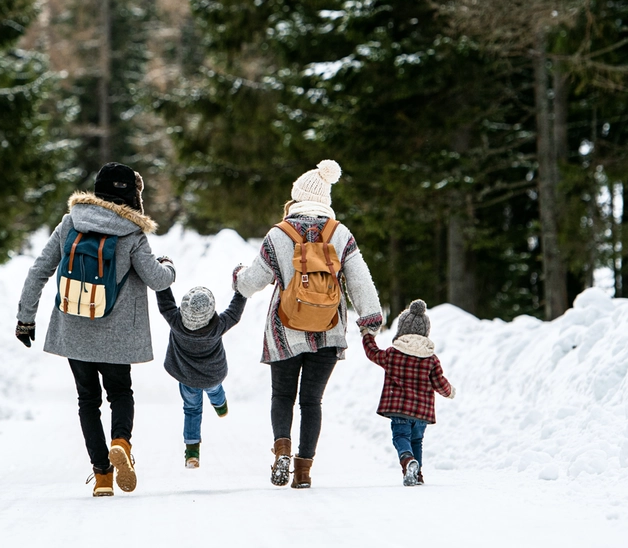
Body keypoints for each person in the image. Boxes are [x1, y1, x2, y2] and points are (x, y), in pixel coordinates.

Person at [14, 163, 176, 497]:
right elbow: (157, 280)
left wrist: (25, 318)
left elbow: (38, 271)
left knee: (87, 400)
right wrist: (169, 266)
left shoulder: (71, 222)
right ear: (132, 195)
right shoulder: (131, 233)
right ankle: (121, 443)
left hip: (75, 329)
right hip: (117, 336)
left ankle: (102, 476)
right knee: (120, 394)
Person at [233, 159, 384, 488]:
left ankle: (282, 451)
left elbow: (252, 282)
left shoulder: (278, 234)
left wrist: (237, 279)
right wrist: (371, 321)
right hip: (329, 330)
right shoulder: (340, 234)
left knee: (282, 397)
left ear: (297, 198)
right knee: (311, 401)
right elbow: (360, 281)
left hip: (284, 330)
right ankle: (303, 472)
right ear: (326, 200)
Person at [361, 299, 455, 486]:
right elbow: (439, 382)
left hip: (399, 409)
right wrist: (449, 391)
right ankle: (417, 474)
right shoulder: (431, 359)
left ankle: (407, 461)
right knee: (417, 441)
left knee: (401, 438)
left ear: (402, 329)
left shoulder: (392, 354)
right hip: (422, 412)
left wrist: (367, 335)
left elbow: (373, 353)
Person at [155, 281, 247, 468]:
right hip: (213, 376)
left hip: (187, 379)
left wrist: (162, 273)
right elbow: (234, 313)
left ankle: (192, 453)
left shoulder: (175, 321)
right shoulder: (218, 326)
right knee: (215, 391)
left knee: (191, 410)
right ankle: (220, 406)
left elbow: (165, 302)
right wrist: (241, 290)